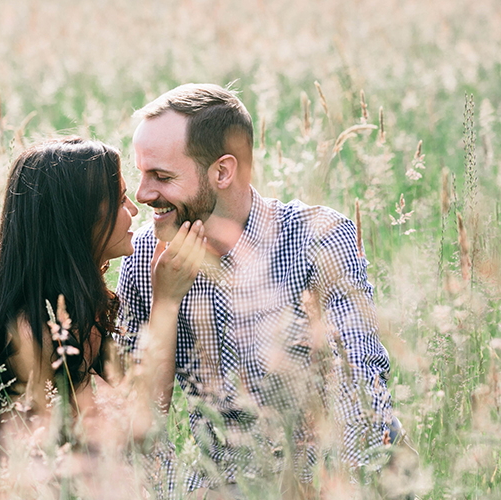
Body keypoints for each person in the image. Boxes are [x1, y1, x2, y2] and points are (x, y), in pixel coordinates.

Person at [116, 84, 393, 495]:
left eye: (161, 176)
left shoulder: (318, 238)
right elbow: (137, 422)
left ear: (223, 172)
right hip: (214, 482)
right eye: (141, 173)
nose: (143, 194)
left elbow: (361, 383)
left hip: (319, 475)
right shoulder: (145, 257)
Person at [0, 136, 206, 499]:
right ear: (80, 219)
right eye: (120, 198)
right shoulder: (32, 332)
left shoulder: (75, 308)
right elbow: (138, 431)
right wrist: (167, 302)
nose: (134, 209)